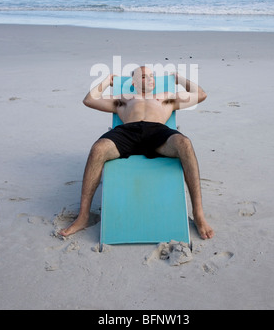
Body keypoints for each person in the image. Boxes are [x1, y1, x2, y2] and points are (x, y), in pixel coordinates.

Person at [59, 66, 214, 240]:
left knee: (185, 144)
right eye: (143, 76)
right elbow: (89, 100)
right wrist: (106, 81)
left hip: (158, 132)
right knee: (98, 149)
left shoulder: (165, 98)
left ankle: (199, 215)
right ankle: (83, 216)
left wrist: (178, 79)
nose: (149, 79)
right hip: (127, 132)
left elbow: (201, 94)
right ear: (133, 82)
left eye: (152, 76)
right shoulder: (123, 99)